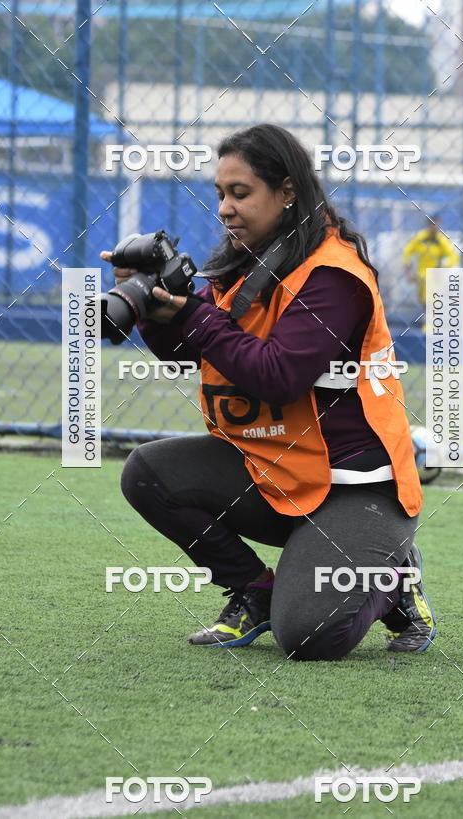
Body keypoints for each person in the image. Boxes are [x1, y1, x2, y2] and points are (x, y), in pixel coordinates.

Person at [101, 124, 436, 661]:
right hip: (277, 469)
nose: (226, 209)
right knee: (148, 473)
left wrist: (195, 313)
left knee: (308, 635)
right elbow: (187, 352)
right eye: (220, 194)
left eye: (240, 193)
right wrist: (157, 310)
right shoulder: (245, 260)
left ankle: (392, 573)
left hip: (355, 489)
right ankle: (254, 591)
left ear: (286, 193)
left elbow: (277, 376)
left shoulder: (334, 274)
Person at [402, 215, 459, 307]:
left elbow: (453, 257)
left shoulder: (442, 240)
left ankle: (429, 319)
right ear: (428, 225)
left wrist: (443, 266)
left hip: (435, 276)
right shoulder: (420, 238)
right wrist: (408, 270)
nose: (436, 227)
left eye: (438, 225)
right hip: (421, 276)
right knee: (425, 304)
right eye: (433, 225)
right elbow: (407, 252)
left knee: (431, 304)